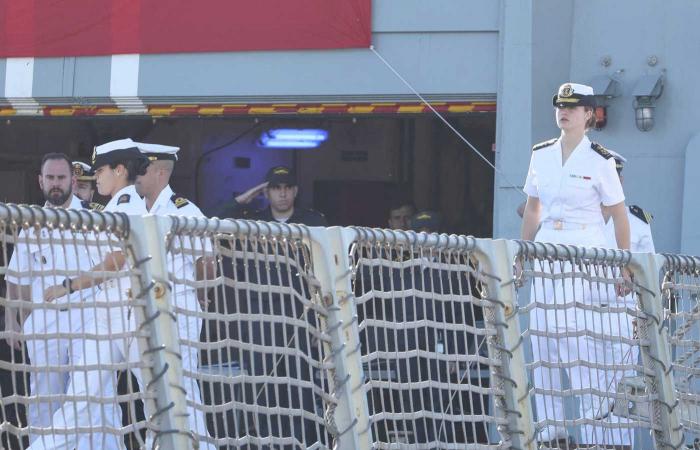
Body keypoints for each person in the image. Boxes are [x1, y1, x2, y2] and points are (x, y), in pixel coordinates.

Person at [520, 83, 632, 448]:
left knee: (566, 327)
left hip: (585, 247)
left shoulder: (600, 160)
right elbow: (534, 208)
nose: (564, 112)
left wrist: (623, 263)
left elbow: (618, 214)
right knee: (540, 333)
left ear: (589, 114)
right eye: (560, 106)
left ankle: (593, 414)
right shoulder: (541, 155)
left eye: (573, 107)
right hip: (547, 245)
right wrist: (524, 253)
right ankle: (551, 428)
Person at [30, 138, 150, 450]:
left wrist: (69, 286)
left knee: (157, 402)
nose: (96, 177)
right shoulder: (114, 206)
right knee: (81, 400)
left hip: (131, 316)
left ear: (120, 170)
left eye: (101, 170)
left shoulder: (129, 206)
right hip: (107, 318)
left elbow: (115, 261)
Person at [4, 153, 97, 446]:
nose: (56, 184)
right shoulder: (30, 223)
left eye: (61, 178)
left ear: (72, 180)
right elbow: (16, 281)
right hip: (45, 324)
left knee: (89, 400)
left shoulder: (95, 219)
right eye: (51, 179)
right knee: (44, 402)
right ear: (40, 181)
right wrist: (12, 321)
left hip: (88, 320)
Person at [133, 142, 216, 450]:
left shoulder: (184, 211)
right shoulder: (137, 208)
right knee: (152, 389)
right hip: (147, 312)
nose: (136, 176)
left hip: (179, 310)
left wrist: (201, 293)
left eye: (142, 169)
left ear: (161, 172)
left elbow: (207, 261)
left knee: (182, 388)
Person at [220, 165, 327, 226]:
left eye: (288, 187)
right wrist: (242, 199)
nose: (283, 194)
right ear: (266, 193)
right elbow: (210, 222)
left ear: (295, 191)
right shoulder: (254, 223)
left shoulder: (313, 221)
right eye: (276, 188)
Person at [603, 151, 655, 253]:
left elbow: (647, 266)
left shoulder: (637, 221)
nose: (604, 184)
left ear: (620, 182)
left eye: (610, 179)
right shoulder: (578, 216)